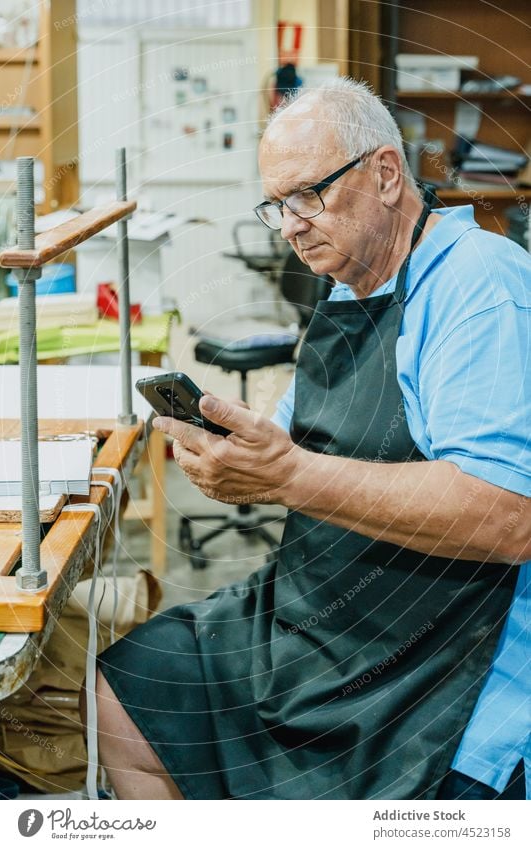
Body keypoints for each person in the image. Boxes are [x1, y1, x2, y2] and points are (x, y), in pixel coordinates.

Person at [87, 78, 530, 800]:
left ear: (385, 174)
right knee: (135, 686)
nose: (289, 224)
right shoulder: (350, 289)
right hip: (323, 612)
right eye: (276, 206)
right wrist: (236, 455)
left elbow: (508, 514)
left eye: (307, 196)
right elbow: (292, 444)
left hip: (435, 655)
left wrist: (286, 474)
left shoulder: (477, 283)